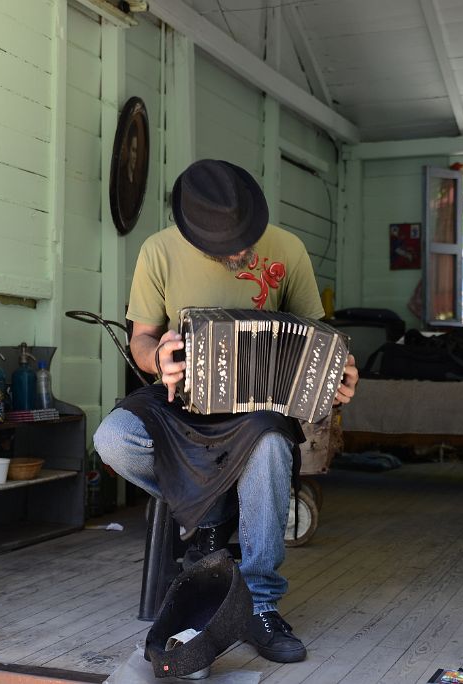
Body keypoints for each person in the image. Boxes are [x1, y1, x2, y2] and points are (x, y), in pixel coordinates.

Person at [93, 159, 358, 664]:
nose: (240, 251)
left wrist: (340, 372)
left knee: (270, 442)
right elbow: (143, 340)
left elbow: (321, 340)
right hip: (182, 401)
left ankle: (259, 605)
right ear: (193, 233)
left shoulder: (288, 248)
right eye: (226, 246)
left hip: (258, 410)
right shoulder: (158, 251)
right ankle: (213, 513)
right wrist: (159, 357)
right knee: (114, 439)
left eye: (246, 238)